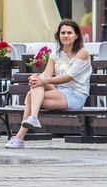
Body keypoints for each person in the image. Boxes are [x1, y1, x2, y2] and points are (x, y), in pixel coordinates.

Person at [6, 19, 91, 149]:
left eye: (69, 33)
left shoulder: (82, 53)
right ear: (59, 35)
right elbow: (46, 74)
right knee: (37, 82)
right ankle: (32, 119)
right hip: (58, 91)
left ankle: (20, 137)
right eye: (63, 33)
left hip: (75, 95)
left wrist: (43, 80)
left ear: (76, 35)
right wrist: (37, 78)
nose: (66, 36)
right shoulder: (56, 53)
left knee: (30, 96)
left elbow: (68, 78)